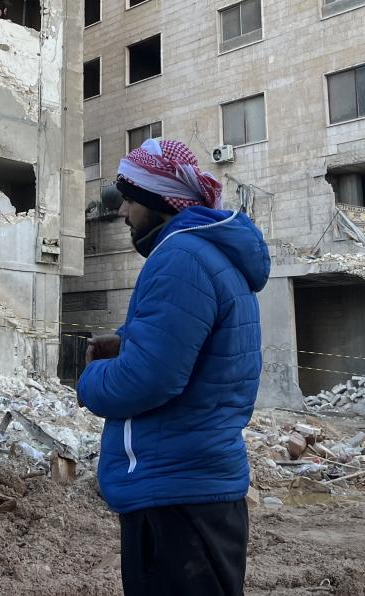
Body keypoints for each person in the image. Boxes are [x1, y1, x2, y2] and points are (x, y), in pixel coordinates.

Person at [77, 139, 268, 596]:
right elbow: (192, 345)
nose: (122, 212)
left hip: (176, 494)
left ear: (158, 200)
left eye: (128, 199)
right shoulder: (206, 254)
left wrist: (88, 379)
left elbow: (148, 379)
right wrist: (127, 342)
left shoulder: (180, 257)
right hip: (194, 486)